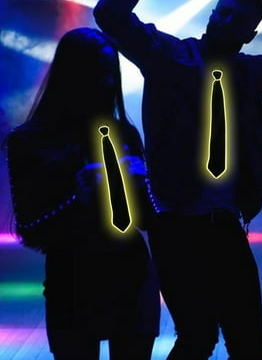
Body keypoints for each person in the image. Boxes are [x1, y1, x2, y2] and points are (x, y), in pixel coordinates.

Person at [92, 0, 262, 360]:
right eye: (223, 13)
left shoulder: (250, 73)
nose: (227, 22)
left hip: (225, 225)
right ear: (212, 14)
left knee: (246, 342)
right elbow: (109, 13)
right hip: (175, 224)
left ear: (250, 34)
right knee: (198, 337)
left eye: (238, 20)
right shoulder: (168, 56)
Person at [5, 27, 160, 360]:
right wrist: (79, 197)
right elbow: (31, 230)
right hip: (72, 284)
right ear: (71, 76)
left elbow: (149, 220)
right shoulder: (29, 141)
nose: (107, 81)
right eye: (96, 72)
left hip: (132, 278)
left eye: (111, 71)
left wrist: (143, 184)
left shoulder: (124, 133)